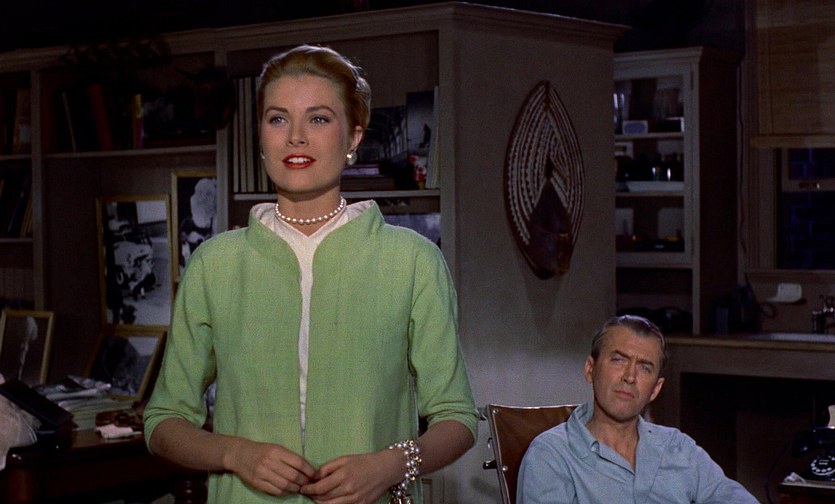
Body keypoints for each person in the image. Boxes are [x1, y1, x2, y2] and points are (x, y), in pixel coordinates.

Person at [143, 44, 478, 504]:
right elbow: (162, 422)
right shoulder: (214, 264)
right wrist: (236, 454)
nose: (295, 137)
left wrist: (388, 465)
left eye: (318, 119)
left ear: (354, 137)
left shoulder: (412, 261)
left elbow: (458, 418)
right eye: (278, 119)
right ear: (261, 136)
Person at [517, 315, 758, 503]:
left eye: (644, 367)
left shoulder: (678, 448)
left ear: (655, 389)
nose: (630, 376)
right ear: (590, 369)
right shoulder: (551, 456)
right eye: (618, 360)